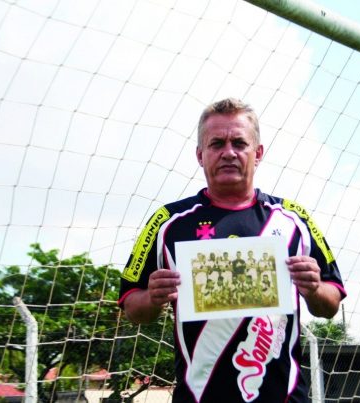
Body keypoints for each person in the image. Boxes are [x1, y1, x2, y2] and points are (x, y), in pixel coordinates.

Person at [118, 98, 346, 402]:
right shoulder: (166, 222)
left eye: (239, 142)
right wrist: (153, 297)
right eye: (216, 143)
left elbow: (330, 304)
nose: (228, 152)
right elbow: (132, 306)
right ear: (200, 155)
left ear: (258, 153)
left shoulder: (294, 219)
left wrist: (314, 288)